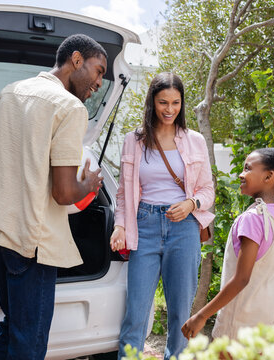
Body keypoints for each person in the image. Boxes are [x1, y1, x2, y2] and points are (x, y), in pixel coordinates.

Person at [0, 34, 106, 360]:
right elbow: (63, 193)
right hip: (33, 242)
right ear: (77, 60)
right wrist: (88, 184)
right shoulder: (71, 107)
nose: (99, 82)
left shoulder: (10, 93)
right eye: (99, 71)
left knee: (12, 325)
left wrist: (22, 172)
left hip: (0, 234)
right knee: (29, 344)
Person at [110, 72, 215, 360]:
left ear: (182, 103)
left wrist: (191, 203)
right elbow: (123, 192)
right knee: (136, 313)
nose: (170, 110)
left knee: (180, 313)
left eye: (176, 103)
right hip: (143, 226)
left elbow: (208, 190)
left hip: (183, 229)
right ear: (152, 103)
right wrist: (120, 225)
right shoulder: (134, 140)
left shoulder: (194, 141)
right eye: (163, 102)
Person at [181, 147, 274, 340]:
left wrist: (201, 315)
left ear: (269, 176)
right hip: (267, 309)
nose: (241, 174)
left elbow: (242, 278)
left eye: (248, 169)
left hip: (241, 316)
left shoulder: (252, 219)